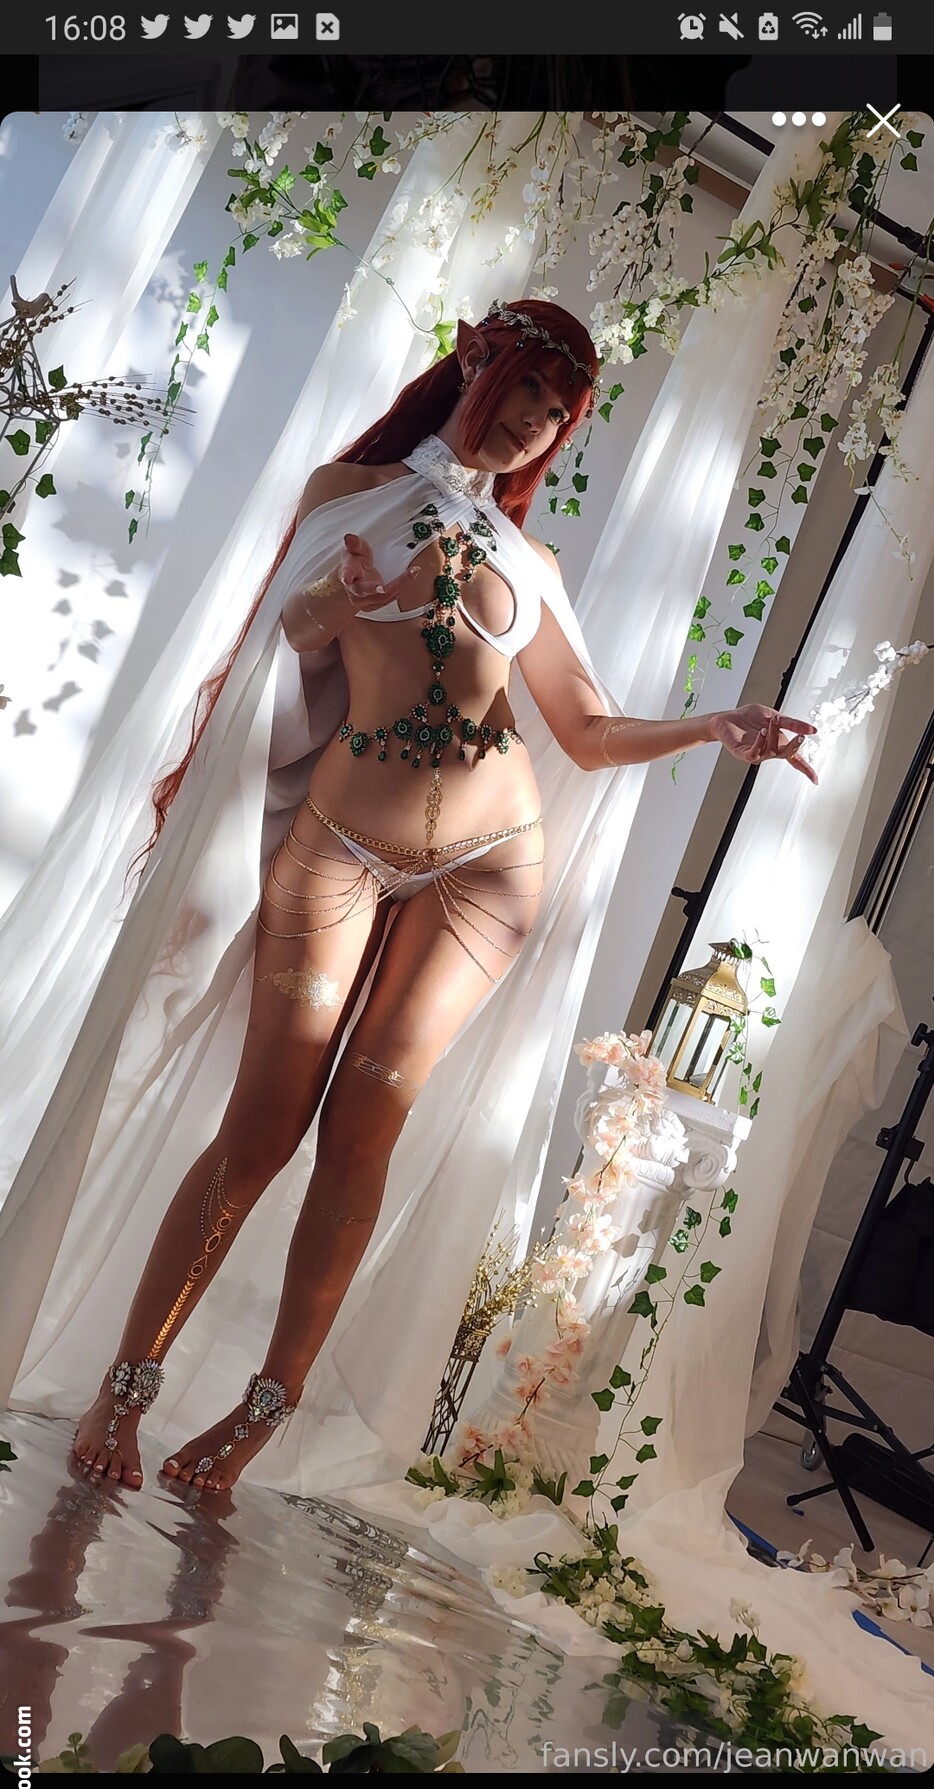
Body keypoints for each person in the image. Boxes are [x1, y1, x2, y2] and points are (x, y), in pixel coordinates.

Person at [42, 298, 816, 1494]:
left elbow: (586, 729)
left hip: (488, 869)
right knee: (263, 1125)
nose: (533, 421)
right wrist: (342, 604)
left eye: (557, 413)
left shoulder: (528, 561)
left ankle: (264, 1412)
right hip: (341, 845)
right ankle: (126, 1387)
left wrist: (710, 727)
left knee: (364, 1128)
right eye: (524, 390)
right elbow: (286, 630)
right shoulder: (345, 494)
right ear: (472, 359)